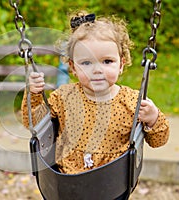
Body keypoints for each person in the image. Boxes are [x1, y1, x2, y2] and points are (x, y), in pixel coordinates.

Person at [21, 11, 169, 175]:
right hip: (67, 182)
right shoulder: (64, 96)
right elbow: (34, 123)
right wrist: (33, 94)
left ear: (121, 64)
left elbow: (159, 141)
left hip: (112, 183)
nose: (97, 70)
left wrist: (153, 119)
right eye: (86, 62)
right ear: (73, 67)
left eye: (107, 61)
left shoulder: (132, 101)